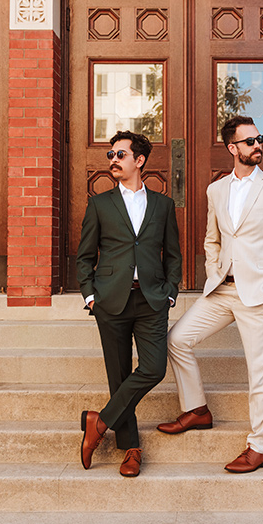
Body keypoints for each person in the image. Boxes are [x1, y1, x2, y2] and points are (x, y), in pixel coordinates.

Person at [157, 115, 263, 473]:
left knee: (259, 370)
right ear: (232, 148)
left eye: (259, 139)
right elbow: (212, 239)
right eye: (250, 141)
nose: (258, 146)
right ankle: (196, 409)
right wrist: (213, 271)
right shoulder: (216, 190)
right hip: (222, 290)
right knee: (177, 339)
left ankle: (259, 446)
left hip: (261, 294)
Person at [77, 130, 182, 477]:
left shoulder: (163, 205)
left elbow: (173, 254)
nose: (113, 160)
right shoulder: (100, 204)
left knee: (153, 368)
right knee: (118, 375)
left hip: (152, 299)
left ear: (139, 160)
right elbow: (85, 255)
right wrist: (91, 296)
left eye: (120, 155)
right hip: (110, 300)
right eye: (110, 155)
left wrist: (170, 291)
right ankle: (131, 449)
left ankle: (99, 421)